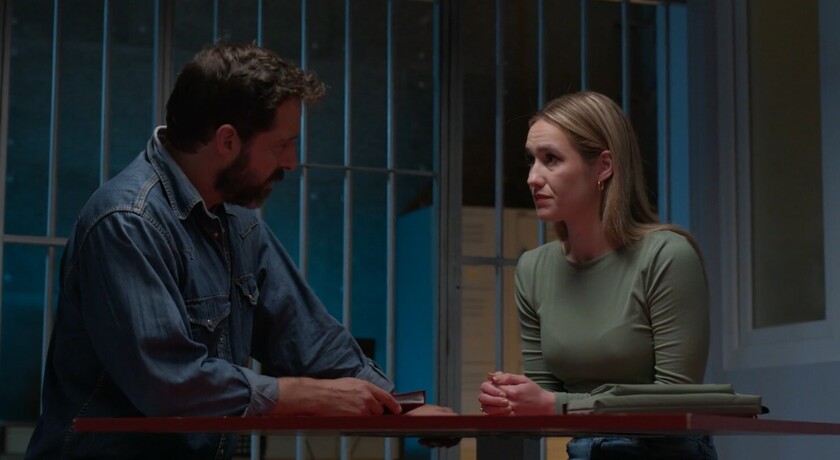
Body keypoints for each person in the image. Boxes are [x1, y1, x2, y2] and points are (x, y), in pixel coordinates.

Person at [26, 42, 452, 460]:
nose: (291, 162)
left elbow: (307, 337)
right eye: (281, 144)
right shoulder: (127, 221)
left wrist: (398, 407)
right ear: (227, 140)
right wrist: (298, 394)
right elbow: (169, 382)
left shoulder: (238, 222)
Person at [477, 91, 717, 459]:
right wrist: (511, 399)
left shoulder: (667, 255)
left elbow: (676, 400)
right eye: (531, 160)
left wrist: (556, 405)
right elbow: (545, 397)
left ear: (603, 166)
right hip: (586, 450)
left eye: (551, 159)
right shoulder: (533, 268)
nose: (532, 178)